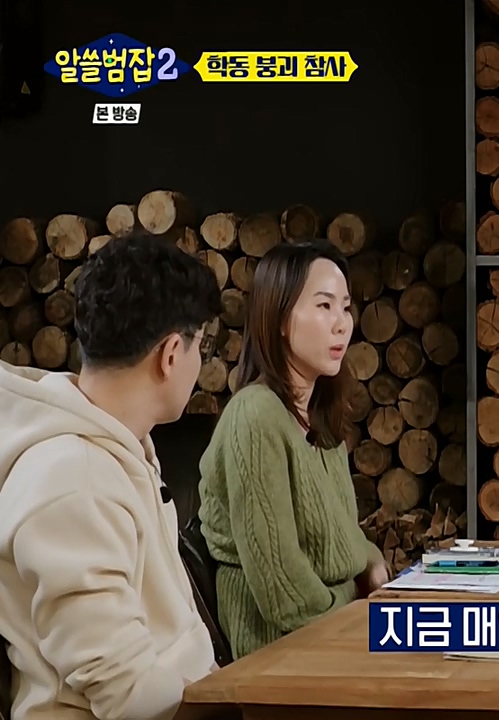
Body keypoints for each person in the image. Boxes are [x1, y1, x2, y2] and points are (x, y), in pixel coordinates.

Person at [0, 233, 221, 720]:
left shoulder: (118, 448)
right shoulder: (74, 481)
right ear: (170, 354)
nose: (199, 362)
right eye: (200, 345)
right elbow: (125, 692)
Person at [197, 239, 389, 660]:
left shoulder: (318, 415)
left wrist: (372, 562)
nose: (342, 324)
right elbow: (285, 596)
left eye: (345, 308)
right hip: (283, 651)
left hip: (338, 632)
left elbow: (339, 537)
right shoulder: (255, 415)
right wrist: (363, 611)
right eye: (324, 306)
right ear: (281, 318)